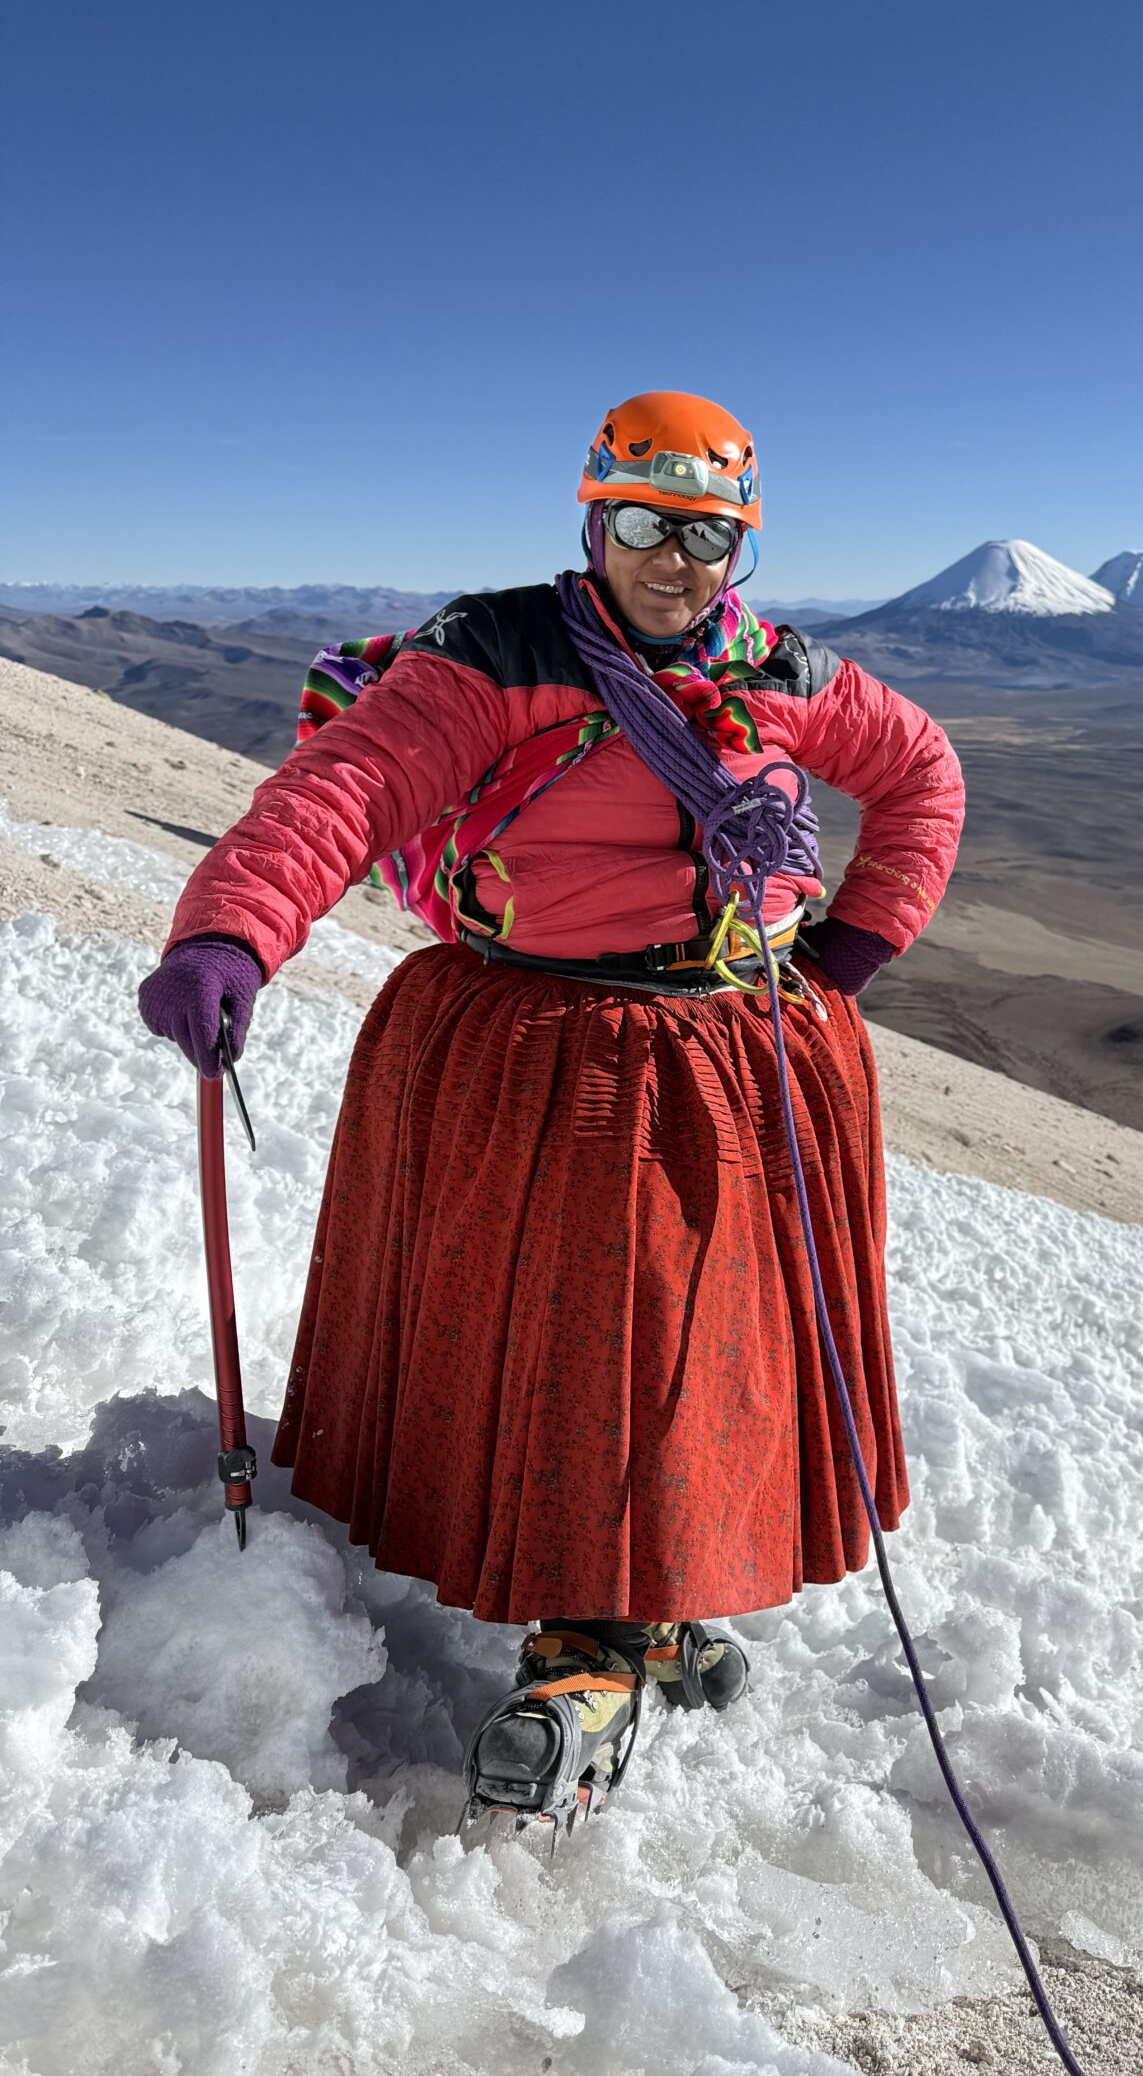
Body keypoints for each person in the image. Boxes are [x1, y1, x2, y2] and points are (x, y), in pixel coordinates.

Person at [138, 391, 965, 1820]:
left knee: (705, 1340)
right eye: (644, 523)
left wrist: (846, 955)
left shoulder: (785, 671)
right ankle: (603, 1607)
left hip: (737, 1041)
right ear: (594, 520)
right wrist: (232, 928)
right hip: (552, 1049)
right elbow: (344, 791)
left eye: (711, 535)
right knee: (600, 1332)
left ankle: (648, 1576)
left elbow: (923, 777)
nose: (676, 559)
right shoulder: (491, 655)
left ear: (740, 551)